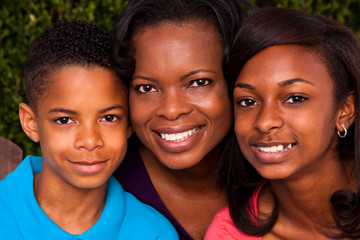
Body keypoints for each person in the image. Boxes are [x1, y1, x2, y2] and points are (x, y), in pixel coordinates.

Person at [0, 20, 178, 239]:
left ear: (129, 123)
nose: (90, 140)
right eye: (65, 120)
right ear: (30, 122)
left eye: (109, 117)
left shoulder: (154, 234)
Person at [205, 7, 360, 239]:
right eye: (247, 101)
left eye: (295, 98)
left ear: (345, 110)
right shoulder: (228, 233)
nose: (265, 122)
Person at [111, 0, 254, 239]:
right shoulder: (102, 184)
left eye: (198, 83)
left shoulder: (276, 173)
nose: (172, 110)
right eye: (147, 87)